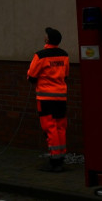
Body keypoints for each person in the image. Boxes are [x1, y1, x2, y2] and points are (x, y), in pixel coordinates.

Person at [27, 26, 69, 172]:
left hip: (45, 98)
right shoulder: (64, 55)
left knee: (50, 128)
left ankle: (54, 161)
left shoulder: (40, 56)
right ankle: (61, 157)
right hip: (61, 98)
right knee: (60, 127)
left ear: (48, 39)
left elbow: (31, 76)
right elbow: (66, 75)